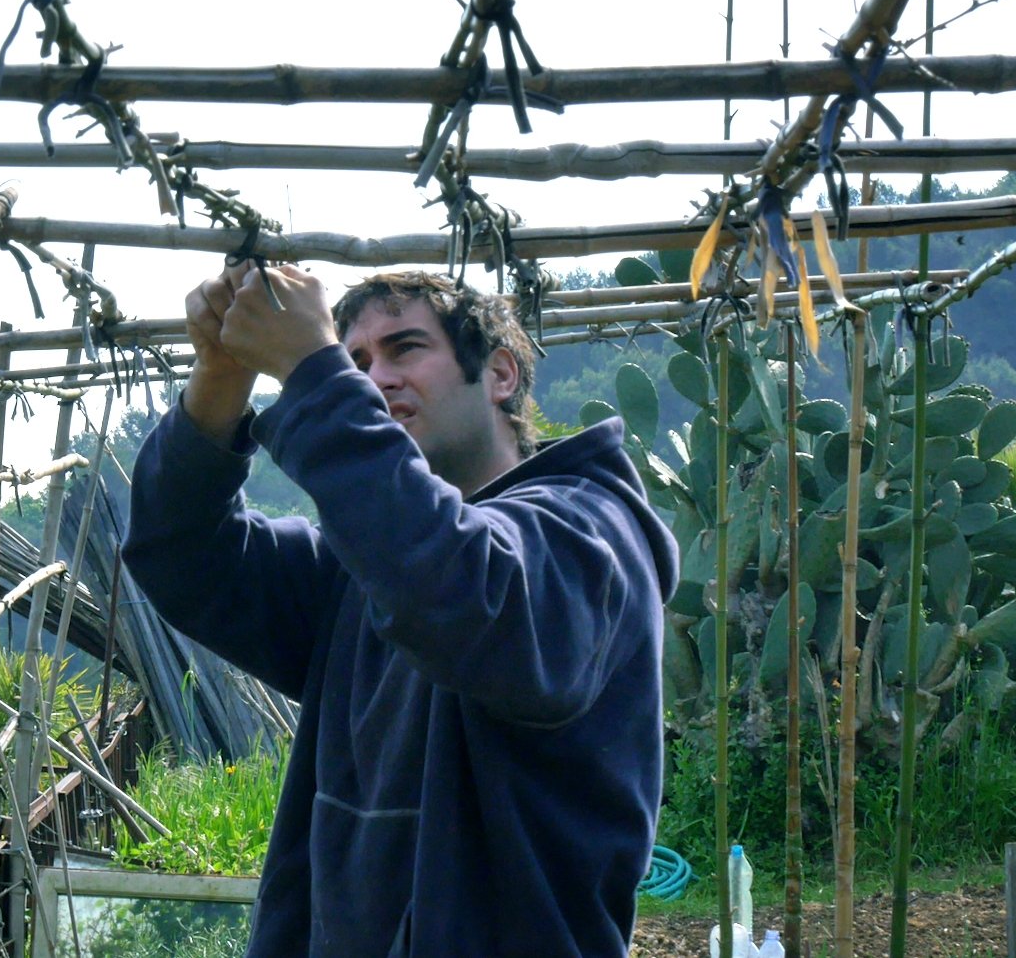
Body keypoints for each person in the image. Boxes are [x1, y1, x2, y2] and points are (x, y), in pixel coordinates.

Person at [120, 263, 678, 956]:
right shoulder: (367, 573)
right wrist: (220, 379)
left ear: (501, 375)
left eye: (405, 348)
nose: (373, 380)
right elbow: (180, 554)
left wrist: (314, 370)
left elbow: (465, 594)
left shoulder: (589, 535)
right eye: (354, 362)